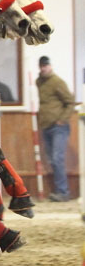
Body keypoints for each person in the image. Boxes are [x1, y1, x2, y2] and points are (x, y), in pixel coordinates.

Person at [36, 56, 75, 202]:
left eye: (45, 66)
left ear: (50, 66)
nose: (43, 68)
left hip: (59, 127)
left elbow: (70, 102)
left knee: (57, 159)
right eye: (41, 66)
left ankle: (63, 192)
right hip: (46, 125)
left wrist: (62, 119)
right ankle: (60, 191)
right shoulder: (39, 81)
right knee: (52, 160)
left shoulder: (57, 82)